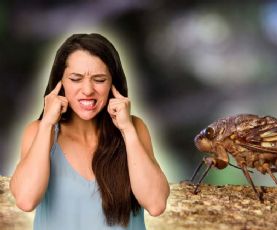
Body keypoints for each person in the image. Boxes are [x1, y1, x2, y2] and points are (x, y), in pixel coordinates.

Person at [9, 33, 170, 229]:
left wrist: (127, 130)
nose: (87, 90)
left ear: (113, 84)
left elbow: (156, 204)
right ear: (60, 83)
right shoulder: (39, 132)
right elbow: (26, 200)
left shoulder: (135, 128)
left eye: (99, 79)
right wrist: (47, 125)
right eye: (76, 79)